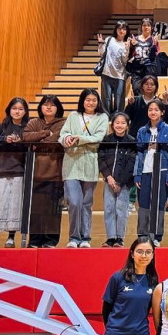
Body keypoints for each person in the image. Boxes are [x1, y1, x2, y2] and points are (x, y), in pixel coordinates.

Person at [60, 88, 109, 249]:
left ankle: (85, 238)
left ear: (98, 102)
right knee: (74, 202)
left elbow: (98, 138)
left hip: (90, 164)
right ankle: (74, 237)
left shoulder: (102, 117)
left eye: (94, 100)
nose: (91, 103)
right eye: (88, 100)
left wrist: (79, 138)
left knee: (86, 203)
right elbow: (63, 134)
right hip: (71, 164)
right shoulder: (73, 115)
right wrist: (67, 138)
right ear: (82, 101)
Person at [0, 97, 29, 248]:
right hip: (0, 170)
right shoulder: (2, 126)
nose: (17, 112)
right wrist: (4, 139)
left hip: (19, 171)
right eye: (14, 108)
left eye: (20, 109)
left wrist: (21, 141)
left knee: (14, 205)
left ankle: (11, 237)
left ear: (25, 111)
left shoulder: (28, 127)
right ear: (9, 110)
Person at [21, 95, 66, 248]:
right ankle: (34, 241)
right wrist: (46, 134)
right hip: (35, 172)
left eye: (52, 105)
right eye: (46, 104)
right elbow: (25, 137)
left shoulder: (63, 123)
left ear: (57, 108)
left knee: (53, 210)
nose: (48, 107)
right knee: (35, 209)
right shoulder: (34, 122)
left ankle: (50, 241)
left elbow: (58, 141)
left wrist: (37, 142)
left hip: (55, 172)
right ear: (40, 107)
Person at [134, 100, 168, 246]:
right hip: (145, 171)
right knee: (143, 205)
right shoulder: (142, 131)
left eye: (156, 109)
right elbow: (139, 154)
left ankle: (157, 236)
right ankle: (142, 235)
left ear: (162, 112)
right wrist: (137, 174)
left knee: (158, 205)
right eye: (150, 109)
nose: (153, 112)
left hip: (162, 171)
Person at [99, 112, 136, 248]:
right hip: (109, 181)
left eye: (123, 123)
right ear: (112, 124)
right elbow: (101, 158)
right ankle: (110, 237)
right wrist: (108, 177)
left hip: (124, 183)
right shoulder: (106, 140)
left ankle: (119, 238)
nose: (120, 125)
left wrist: (120, 182)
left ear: (127, 125)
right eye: (117, 123)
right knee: (109, 209)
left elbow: (131, 163)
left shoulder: (132, 141)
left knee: (121, 210)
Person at [97, 22, 131, 114]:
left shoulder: (126, 43)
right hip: (106, 73)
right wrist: (100, 44)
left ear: (126, 31)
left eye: (124, 29)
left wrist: (127, 49)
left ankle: (118, 117)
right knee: (106, 98)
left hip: (120, 75)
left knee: (119, 99)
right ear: (115, 29)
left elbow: (124, 61)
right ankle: (106, 117)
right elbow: (101, 54)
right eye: (119, 28)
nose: (121, 31)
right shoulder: (109, 39)